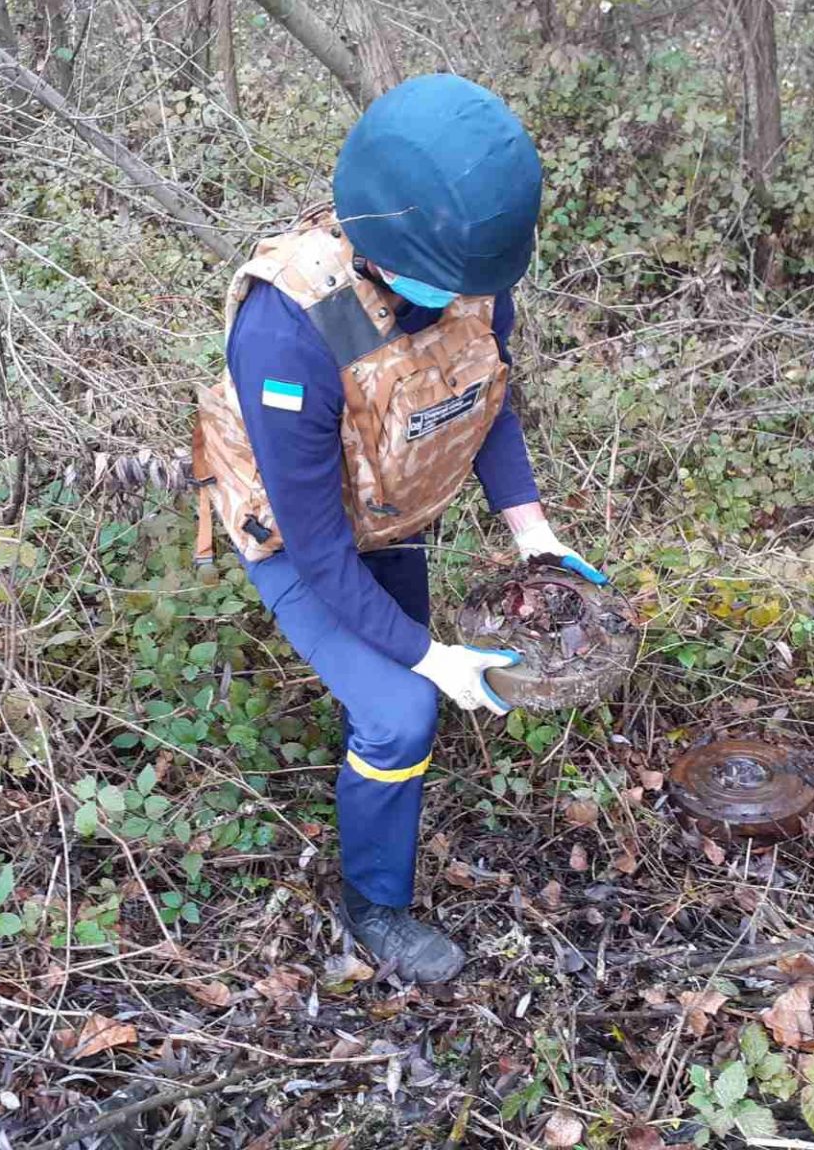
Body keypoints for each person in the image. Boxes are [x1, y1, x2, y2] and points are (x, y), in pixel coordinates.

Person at [191, 73, 603, 983]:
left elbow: (490, 399)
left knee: (401, 677)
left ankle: (378, 762)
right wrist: (427, 659)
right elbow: (318, 550)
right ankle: (373, 908)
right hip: (297, 535)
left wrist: (533, 530)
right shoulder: (291, 330)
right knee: (403, 711)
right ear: (384, 236)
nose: (471, 295)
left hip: (392, 507)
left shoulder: (474, 272)